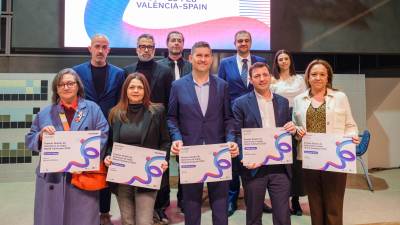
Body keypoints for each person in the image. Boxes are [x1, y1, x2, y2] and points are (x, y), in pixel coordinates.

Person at [168, 41, 239, 225]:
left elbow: (229, 119)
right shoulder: (178, 86)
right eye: (199, 55)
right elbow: (172, 118)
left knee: (220, 204)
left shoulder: (222, 85)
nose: (203, 59)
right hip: (191, 152)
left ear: (211, 59)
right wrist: (176, 138)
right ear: (190, 58)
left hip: (218, 152)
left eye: (207, 55)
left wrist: (231, 140)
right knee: (191, 205)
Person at [25, 68, 109, 225]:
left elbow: (103, 134)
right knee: (51, 218)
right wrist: (41, 137)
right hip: (52, 178)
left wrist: (84, 161)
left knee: (82, 218)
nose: (66, 87)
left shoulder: (93, 109)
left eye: (70, 83)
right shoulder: (45, 113)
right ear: (56, 89)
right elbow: (30, 138)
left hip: (82, 175)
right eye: (61, 84)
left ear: (78, 86)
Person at [292, 59, 359, 225]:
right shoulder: (299, 100)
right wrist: (297, 132)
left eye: (322, 74)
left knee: (334, 204)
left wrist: (352, 137)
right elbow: (295, 128)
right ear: (308, 77)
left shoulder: (340, 97)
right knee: (315, 203)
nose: (318, 77)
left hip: (335, 159)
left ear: (328, 77)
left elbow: (350, 125)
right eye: (314, 74)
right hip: (310, 158)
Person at [233, 62, 296, 225]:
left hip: (280, 167)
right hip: (254, 168)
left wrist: (292, 128)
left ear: (270, 77)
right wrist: (245, 156)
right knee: (254, 216)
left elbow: (287, 129)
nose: (262, 79)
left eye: (265, 75)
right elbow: (237, 134)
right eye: (257, 76)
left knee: (283, 216)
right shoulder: (240, 103)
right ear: (250, 79)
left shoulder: (283, 102)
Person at [104, 73, 170, 225]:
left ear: (145, 90)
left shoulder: (157, 111)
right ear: (125, 90)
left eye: (140, 87)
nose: (135, 90)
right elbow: (110, 145)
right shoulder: (115, 113)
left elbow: (165, 141)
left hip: (147, 175)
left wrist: (163, 160)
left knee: (144, 221)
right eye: (132, 87)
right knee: (127, 221)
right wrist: (107, 156)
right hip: (122, 176)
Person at [73, 34, 125, 225]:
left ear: (108, 50)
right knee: (84, 170)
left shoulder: (118, 74)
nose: (100, 50)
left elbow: (121, 102)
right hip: (84, 130)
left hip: (110, 130)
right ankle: (84, 210)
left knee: (106, 170)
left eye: (104, 47)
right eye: (97, 46)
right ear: (90, 48)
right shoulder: (76, 72)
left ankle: (104, 212)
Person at [217, 30, 268, 216]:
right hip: (233, 117)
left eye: (246, 40)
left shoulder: (260, 60)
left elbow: (265, 85)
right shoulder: (225, 63)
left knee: (259, 157)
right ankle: (232, 199)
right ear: (235, 43)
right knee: (233, 159)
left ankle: (258, 200)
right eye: (240, 40)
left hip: (257, 117)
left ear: (251, 42)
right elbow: (221, 90)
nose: (243, 43)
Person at [155, 30, 192, 219]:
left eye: (179, 40)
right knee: (163, 164)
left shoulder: (192, 67)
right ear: (167, 44)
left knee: (185, 162)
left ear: (183, 44)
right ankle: (162, 203)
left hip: (185, 122)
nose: (176, 43)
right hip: (162, 122)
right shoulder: (158, 66)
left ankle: (184, 200)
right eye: (173, 40)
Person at [271, 49, 307, 216]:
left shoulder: (300, 79)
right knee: (282, 164)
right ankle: (282, 201)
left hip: (299, 122)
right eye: (280, 59)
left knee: (297, 165)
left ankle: (296, 200)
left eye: (286, 58)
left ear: (290, 61)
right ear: (276, 62)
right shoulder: (272, 80)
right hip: (280, 122)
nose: (283, 61)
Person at [124, 33, 173, 108]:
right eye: (143, 47)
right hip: (133, 116)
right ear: (137, 49)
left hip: (158, 117)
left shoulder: (166, 72)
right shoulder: (127, 71)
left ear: (154, 50)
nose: (146, 50)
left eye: (150, 47)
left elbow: (169, 100)